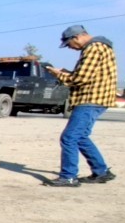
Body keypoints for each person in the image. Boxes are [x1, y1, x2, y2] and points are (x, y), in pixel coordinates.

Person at [43, 25, 117, 187]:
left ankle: (68, 177)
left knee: (69, 137)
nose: (70, 48)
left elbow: (80, 79)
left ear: (76, 37)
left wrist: (59, 75)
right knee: (80, 137)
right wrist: (65, 72)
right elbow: (88, 75)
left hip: (90, 99)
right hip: (98, 99)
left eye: (69, 44)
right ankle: (101, 172)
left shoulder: (93, 48)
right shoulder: (101, 47)